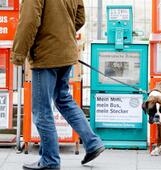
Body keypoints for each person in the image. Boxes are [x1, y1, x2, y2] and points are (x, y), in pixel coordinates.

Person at [11, 0, 104, 169]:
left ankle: (50, 160)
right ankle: (92, 142)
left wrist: (18, 54)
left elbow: (29, 20)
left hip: (46, 55)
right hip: (66, 52)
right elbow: (80, 17)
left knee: (41, 109)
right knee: (63, 99)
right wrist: (62, 36)